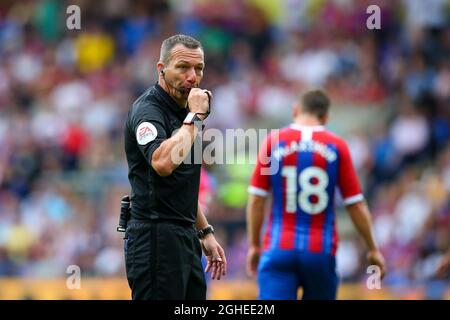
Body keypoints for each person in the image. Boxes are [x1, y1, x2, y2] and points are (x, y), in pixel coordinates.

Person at [246, 89, 386, 300]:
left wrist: (255, 245)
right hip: (320, 251)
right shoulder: (338, 146)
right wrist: (372, 249)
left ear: (295, 110)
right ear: (326, 116)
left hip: (278, 249)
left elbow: (257, 199)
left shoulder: (273, 142)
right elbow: (355, 205)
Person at [123, 34, 226, 300]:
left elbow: (182, 185)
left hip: (185, 238)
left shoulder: (186, 117)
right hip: (154, 239)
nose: (192, 77)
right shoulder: (148, 111)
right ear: (161, 69)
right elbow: (163, 163)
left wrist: (205, 232)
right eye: (182, 67)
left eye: (198, 68)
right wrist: (194, 118)